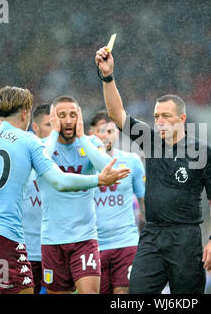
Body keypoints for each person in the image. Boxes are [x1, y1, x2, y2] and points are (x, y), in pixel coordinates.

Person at [0, 86, 130, 294]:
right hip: (2, 235)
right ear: (25, 113)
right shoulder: (28, 141)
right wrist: (98, 180)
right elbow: (59, 181)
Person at [95, 47, 211, 294]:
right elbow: (117, 114)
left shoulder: (202, 152)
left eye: (166, 116)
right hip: (152, 235)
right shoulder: (150, 142)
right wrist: (108, 77)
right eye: (156, 116)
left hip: (186, 238)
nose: (160, 121)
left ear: (182, 118)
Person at [38, 96, 118, 294]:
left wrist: (82, 138)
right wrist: (54, 134)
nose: (68, 120)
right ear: (53, 118)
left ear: (80, 117)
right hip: (52, 240)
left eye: (73, 115)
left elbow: (104, 166)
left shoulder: (91, 142)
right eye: (61, 115)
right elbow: (40, 165)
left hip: (84, 238)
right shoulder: (43, 145)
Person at [89, 111, 145, 294]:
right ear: (91, 134)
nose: (105, 135)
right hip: (94, 243)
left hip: (126, 241)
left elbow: (144, 200)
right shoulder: (84, 164)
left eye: (110, 131)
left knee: (123, 294)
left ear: (117, 133)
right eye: (100, 131)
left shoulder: (132, 161)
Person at [21, 103, 52, 294]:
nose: (54, 130)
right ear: (36, 127)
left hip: (54, 248)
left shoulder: (63, 157)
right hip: (25, 251)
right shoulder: (22, 156)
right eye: (49, 125)